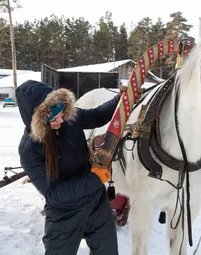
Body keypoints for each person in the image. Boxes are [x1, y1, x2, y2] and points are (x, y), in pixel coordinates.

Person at [16, 80, 128, 255]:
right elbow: (55, 195)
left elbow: (97, 115)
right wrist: (96, 178)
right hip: (64, 215)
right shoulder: (29, 150)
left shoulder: (68, 119)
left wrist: (119, 99)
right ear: (37, 120)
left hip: (96, 205)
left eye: (61, 113)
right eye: (53, 118)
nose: (61, 119)